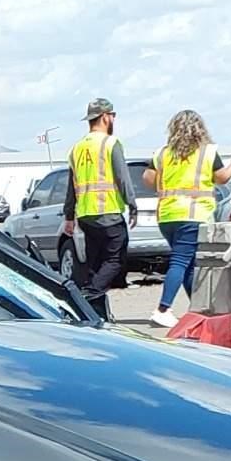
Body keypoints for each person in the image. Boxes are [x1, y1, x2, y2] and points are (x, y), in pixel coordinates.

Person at [146, 109, 231, 326]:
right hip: (193, 215)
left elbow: (148, 179)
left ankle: (196, 312)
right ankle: (163, 309)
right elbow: (222, 178)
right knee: (180, 261)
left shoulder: (163, 153)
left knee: (188, 264)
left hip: (167, 216)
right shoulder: (206, 152)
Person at [62, 97, 138, 319]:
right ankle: (87, 297)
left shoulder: (76, 148)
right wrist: (132, 204)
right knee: (115, 260)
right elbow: (123, 178)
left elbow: (71, 186)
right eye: (113, 116)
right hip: (109, 213)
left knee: (95, 265)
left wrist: (69, 216)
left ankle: (97, 314)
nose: (114, 119)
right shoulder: (110, 143)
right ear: (105, 117)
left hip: (86, 216)